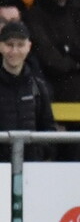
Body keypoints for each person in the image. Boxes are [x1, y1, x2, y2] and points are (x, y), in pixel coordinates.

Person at [0, 21, 56, 162]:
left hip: (31, 166)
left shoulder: (38, 86)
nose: (14, 51)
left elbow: (48, 129)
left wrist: (39, 154)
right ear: (1, 46)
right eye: (9, 45)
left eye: (20, 45)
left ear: (28, 47)